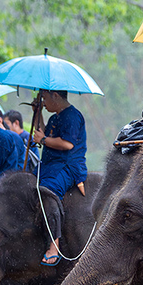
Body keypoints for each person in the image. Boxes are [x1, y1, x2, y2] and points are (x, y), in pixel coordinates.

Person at [31, 90, 87, 266]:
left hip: (68, 166)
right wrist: (38, 112)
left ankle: (54, 245)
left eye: (45, 98)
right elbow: (46, 133)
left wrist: (43, 140)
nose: (43, 101)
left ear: (55, 95)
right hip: (49, 164)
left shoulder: (72, 116)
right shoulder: (55, 117)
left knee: (48, 191)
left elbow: (67, 144)